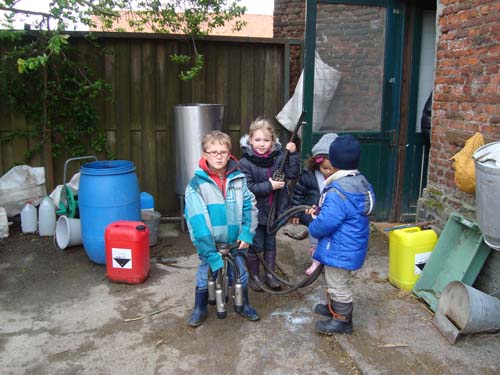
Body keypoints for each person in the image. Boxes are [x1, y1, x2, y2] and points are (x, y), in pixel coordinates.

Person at [184, 130, 260, 327]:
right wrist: (210, 253)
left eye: (223, 152)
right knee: (205, 273)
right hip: (211, 244)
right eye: (213, 152)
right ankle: (200, 308)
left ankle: (243, 305)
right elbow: (198, 221)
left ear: (229, 154)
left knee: (241, 272)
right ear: (204, 154)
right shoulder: (196, 185)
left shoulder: (239, 179)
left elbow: (249, 206)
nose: (218, 156)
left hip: (236, 241)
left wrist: (246, 233)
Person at [306, 134, 375, 335]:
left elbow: (327, 222)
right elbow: (347, 212)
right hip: (351, 244)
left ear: (334, 162)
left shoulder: (337, 190)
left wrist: (313, 225)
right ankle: (333, 309)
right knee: (336, 279)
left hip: (340, 247)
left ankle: (343, 321)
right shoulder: (361, 182)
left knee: (338, 283)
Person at [239, 117, 300, 291]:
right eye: (257, 140)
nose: (262, 144)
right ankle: (254, 276)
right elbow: (247, 188)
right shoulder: (245, 163)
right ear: (250, 140)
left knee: (270, 242)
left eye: (266, 140)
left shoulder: (279, 157)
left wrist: (293, 154)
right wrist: (270, 186)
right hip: (255, 212)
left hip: (275, 210)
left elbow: (293, 174)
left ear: (272, 141)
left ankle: (270, 274)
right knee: (255, 244)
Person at [291, 133, 338, 276]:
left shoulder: (341, 178)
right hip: (313, 214)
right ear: (317, 163)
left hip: (331, 214)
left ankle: (329, 260)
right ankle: (316, 261)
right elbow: (298, 193)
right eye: (325, 168)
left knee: (331, 237)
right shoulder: (308, 175)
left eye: (332, 168)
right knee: (314, 235)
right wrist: (295, 212)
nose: (328, 172)